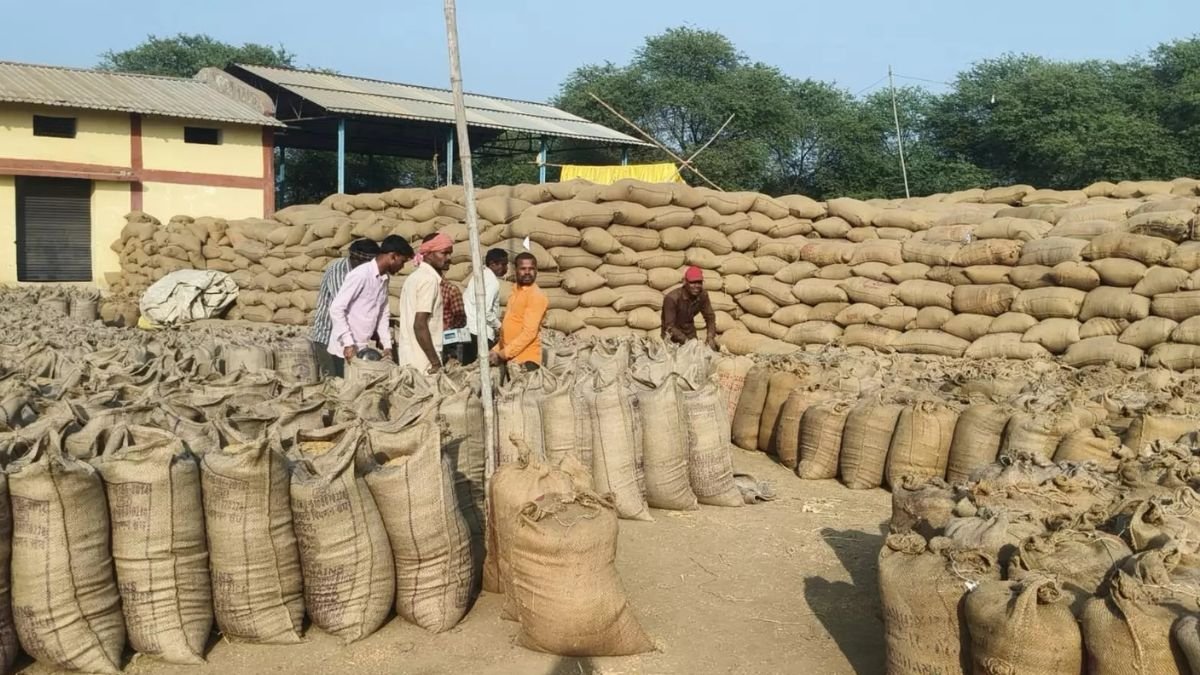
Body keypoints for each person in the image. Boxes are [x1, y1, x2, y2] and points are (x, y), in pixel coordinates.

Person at [327, 235, 413, 366]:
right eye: (402, 261)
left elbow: (383, 313)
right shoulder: (361, 274)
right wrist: (348, 343)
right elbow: (336, 308)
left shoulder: (384, 278)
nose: (402, 267)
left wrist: (387, 346)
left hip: (363, 348)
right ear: (393, 256)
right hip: (344, 350)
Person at [310, 238, 381, 378]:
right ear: (356, 259)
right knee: (335, 381)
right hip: (328, 337)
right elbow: (344, 309)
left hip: (351, 338)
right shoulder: (339, 272)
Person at [396, 232, 453, 373]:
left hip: (410, 357)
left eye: (449, 253)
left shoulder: (413, 278)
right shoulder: (429, 280)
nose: (448, 258)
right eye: (443, 253)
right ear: (428, 254)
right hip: (424, 362)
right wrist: (435, 362)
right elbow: (419, 324)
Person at [489, 252, 548, 371]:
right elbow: (511, 328)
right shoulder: (516, 291)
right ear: (515, 270)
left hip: (526, 361)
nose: (527, 272)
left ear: (536, 271)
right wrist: (495, 350)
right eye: (523, 269)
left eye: (531, 269)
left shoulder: (536, 296)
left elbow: (529, 333)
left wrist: (502, 355)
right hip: (510, 357)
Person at [462, 248, 508, 365]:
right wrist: (500, 326)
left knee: (468, 369)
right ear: (492, 264)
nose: (506, 268)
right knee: (485, 369)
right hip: (481, 334)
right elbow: (485, 311)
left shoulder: (477, 276)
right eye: (503, 264)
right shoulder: (492, 281)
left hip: (468, 330)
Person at [661, 265, 718, 349]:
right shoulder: (672, 298)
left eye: (699, 282)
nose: (697, 286)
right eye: (692, 282)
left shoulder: (702, 295)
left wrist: (710, 336)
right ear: (685, 282)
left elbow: (710, 316)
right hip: (672, 338)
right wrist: (687, 342)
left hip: (690, 332)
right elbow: (670, 327)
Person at [441, 279, 467, 365]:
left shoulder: (451, 290)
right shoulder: (424, 288)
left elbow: (461, 317)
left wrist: (448, 327)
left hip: (448, 338)